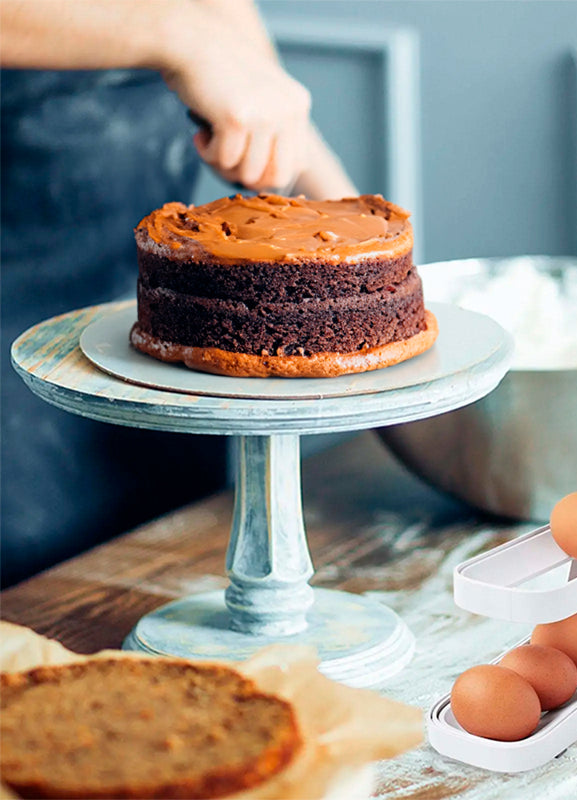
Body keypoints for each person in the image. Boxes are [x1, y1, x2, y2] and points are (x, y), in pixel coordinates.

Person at [0, 0, 358, 586]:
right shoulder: (176, 33)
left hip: (164, 322)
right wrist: (177, 31)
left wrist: (326, 196)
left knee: (177, 558)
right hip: (15, 279)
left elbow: (228, 33)